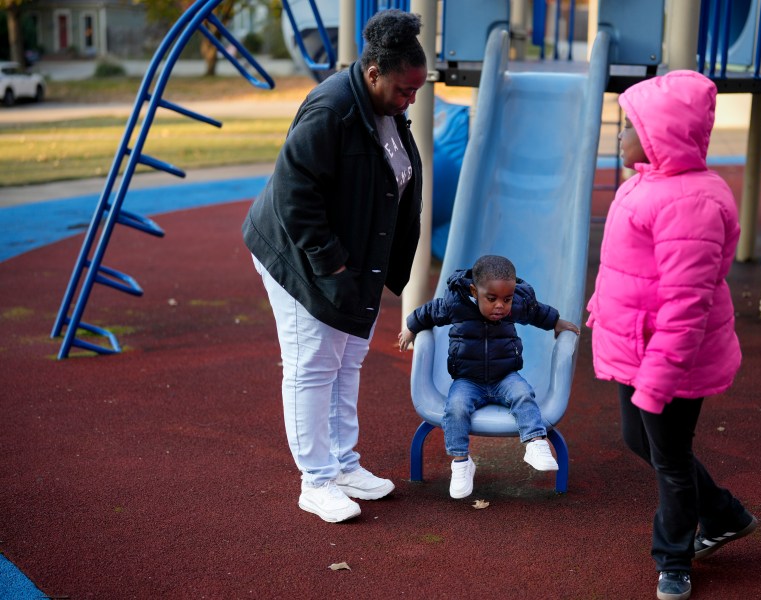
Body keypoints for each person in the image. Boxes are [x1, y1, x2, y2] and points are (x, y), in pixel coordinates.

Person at [241, 9, 427, 524]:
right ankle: (316, 480)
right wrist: (334, 268)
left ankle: (344, 464)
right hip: (300, 255)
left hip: (348, 258)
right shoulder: (332, 110)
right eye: (404, 90)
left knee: (347, 360)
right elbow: (294, 196)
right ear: (373, 74)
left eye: (416, 91)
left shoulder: (382, 106)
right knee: (313, 364)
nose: (410, 100)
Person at [585, 71, 757, 600]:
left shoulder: (692, 202)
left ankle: (675, 559)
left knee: (671, 459)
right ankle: (726, 514)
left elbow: (687, 306)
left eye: (630, 124)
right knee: (642, 441)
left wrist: (658, 381)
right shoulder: (648, 182)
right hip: (637, 346)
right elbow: (624, 268)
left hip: (671, 357)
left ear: (663, 132)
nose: (619, 134)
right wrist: (600, 307)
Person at [399, 255, 580, 499]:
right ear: (474, 290)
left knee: (523, 394)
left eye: (507, 299)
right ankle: (461, 462)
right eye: (492, 299)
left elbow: (536, 313)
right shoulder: (457, 304)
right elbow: (429, 312)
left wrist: (557, 322)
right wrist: (411, 327)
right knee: (455, 408)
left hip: (505, 377)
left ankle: (535, 442)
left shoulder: (515, 305)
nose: (500, 306)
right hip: (467, 380)